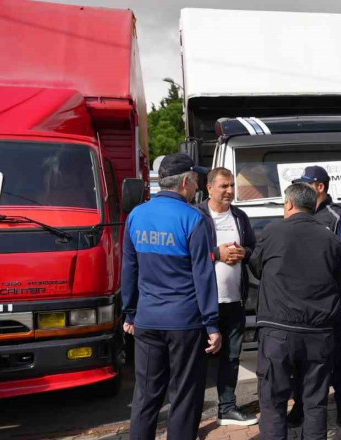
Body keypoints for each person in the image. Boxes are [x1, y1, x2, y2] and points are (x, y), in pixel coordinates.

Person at [121, 153, 222, 440]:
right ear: (186, 182)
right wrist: (212, 324)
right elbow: (204, 276)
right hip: (184, 322)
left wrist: (129, 313)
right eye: (198, 180)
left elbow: (129, 269)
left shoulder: (136, 216)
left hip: (148, 320)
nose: (198, 185)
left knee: (146, 395)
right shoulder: (194, 219)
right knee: (184, 395)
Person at [249, 183, 341, 440]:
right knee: (315, 403)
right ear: (313, 206)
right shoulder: (331, 239)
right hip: (319, 333)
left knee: (273, 403)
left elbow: (256, 268)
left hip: (278, 332)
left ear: (289, 204)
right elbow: (338, 284)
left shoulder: (273, 232)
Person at [288, 165, 341, 427]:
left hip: (330, 300)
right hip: (298, 300)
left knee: (335, 355)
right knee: (299, 358)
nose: (302, 189)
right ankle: (300, 407)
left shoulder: (337, 215)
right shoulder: (295, 211)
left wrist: (321, 251)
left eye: (306, 184)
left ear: (320, 187)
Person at [196, 168, 258, 426]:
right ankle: (192, 414)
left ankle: (227, 408)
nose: (230, 191)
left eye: (232, 185)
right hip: (202, 303)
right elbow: (188, 255)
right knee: (198, 361)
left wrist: (245, 252)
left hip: (234, 301)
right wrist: (216, 254)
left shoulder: (240, 217)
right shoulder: (196, 216)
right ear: (209, 188)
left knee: (231, 357)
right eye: (223, 186)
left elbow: (253, 249)